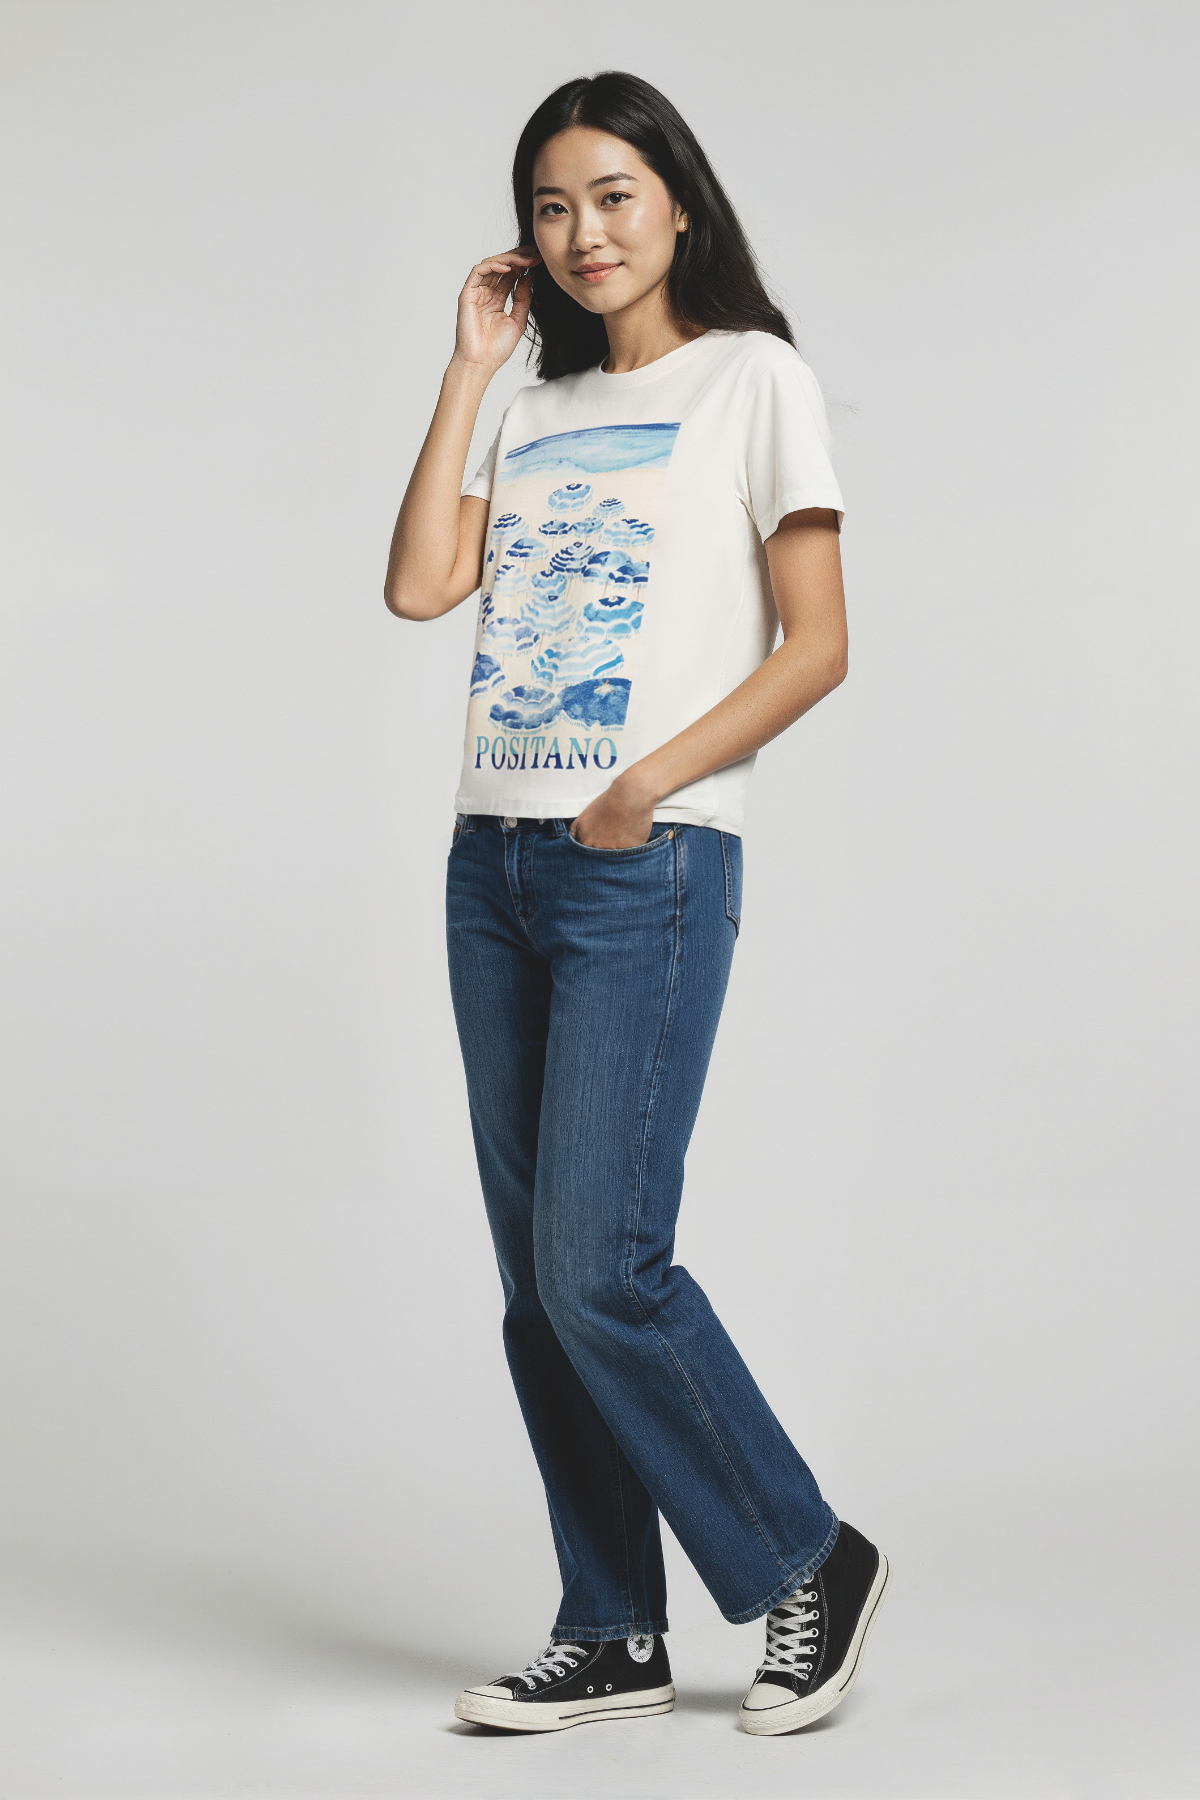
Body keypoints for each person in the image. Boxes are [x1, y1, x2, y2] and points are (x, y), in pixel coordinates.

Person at [385, 70, 888, 1738]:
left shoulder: (756, 381)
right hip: (493, 860)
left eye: (613, 194)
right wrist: (468, 371)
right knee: (539, 1283)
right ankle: (611, 1625)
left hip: (639, 860)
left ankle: (809, 1553)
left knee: (604, 1262)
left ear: (678, 200)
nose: (583, 232)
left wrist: (645, 786)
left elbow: (815, 645)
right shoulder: (529, 409)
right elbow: (418, 586)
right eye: (550, 204)